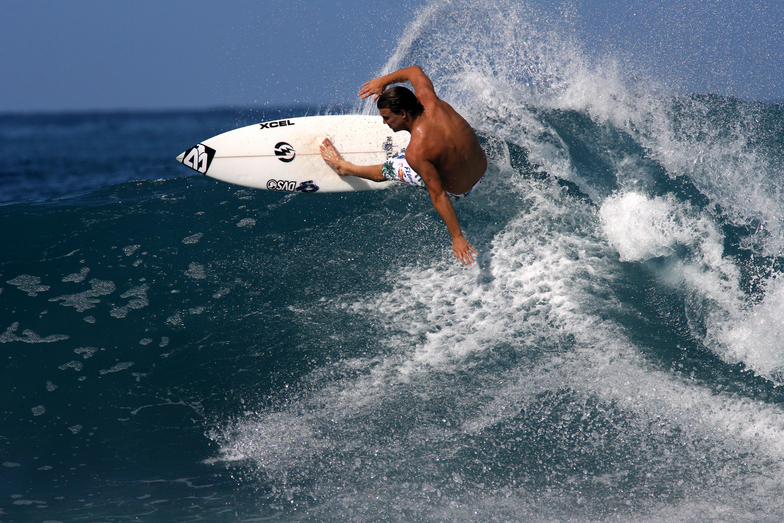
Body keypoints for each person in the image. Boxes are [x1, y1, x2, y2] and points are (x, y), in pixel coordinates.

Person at [320, 66, 487, 266]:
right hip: (483, 171)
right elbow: (414, 71)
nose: (383, 123)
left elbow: (439, 195)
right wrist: (383, 81)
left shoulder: (417, 152)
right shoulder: (430, 99)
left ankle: (345, 168)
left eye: (387, 117)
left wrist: (457, 236)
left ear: (404, 114)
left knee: (394, 166)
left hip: (462, 191)